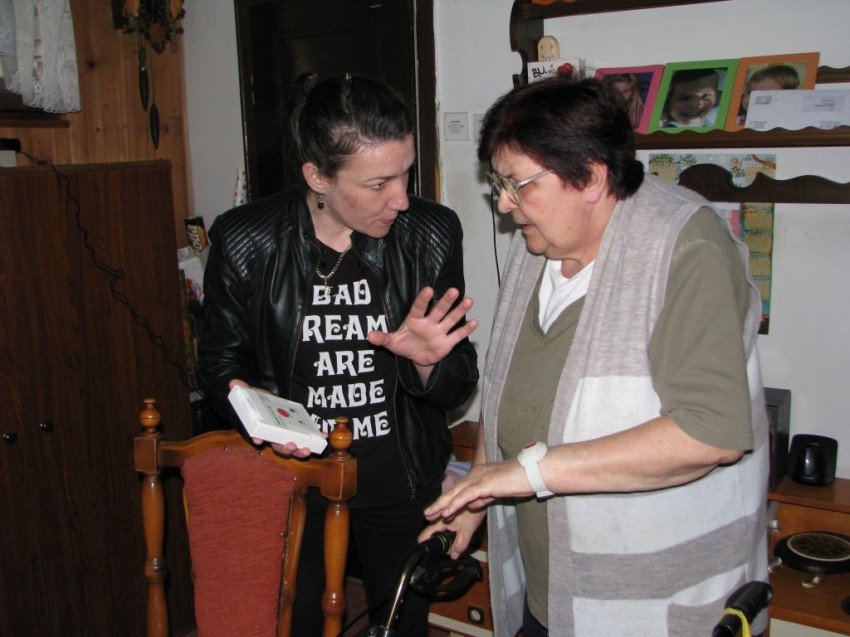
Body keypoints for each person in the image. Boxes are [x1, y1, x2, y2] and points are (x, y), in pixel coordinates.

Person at [421, 76, 769, 637]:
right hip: (552, 591)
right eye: (499, 184)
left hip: (651, 604)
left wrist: (525, 473)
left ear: (591, 177)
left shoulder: (686, 246)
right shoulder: (539, 245)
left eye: (518, 184)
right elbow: (508, 389)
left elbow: (710, 435)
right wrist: (479, 489)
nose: (505, 205)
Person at [195, 73, 479, 637]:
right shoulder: (247, 239)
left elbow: (458, 382)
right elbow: (219, 363)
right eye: (378, 184)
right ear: (317, 177)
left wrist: (427, 363)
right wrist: (256, 414)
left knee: (400, 625)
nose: (401, 199)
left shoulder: (430, 233)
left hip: (402, 480)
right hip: (295, 479)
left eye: (405, 173)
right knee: (295, 621)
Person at [736, 63, 800, 125]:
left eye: (765, 95)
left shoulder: (787, 124)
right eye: (751, 92)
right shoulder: (737, 120)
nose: (755, 99)